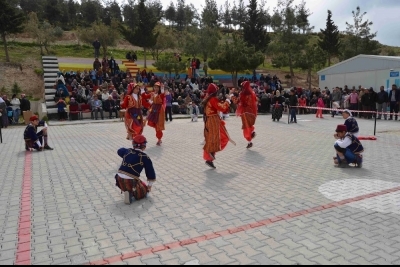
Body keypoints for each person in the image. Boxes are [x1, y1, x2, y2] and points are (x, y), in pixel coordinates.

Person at [115, 135, 156, 204]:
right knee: (145, 192)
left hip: (119, 179)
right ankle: (133, 192)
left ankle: (127, 191)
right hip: (131, 180)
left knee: (128, 183)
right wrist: (149, 186)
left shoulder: (127, 151)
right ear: (144, 146)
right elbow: (150, 172)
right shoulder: (145, 157)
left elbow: (119, 150)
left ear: (133, 144)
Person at [203, 83, 235, 169]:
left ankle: (210, 157)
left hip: (212, 121)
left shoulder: (209, 98)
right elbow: (222, 107)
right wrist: (228, 100)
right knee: (218, 138)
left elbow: (218, 105)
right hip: (213, 121)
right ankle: (211, 154)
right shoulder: (212, 99)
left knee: (217, 138)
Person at [236, 81, 257, 149]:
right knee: (249, 125)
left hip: (245, 112)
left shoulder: (242, 94)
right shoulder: (252, 93)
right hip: (252, 112)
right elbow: (255, 101)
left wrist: (232, 97)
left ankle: (249, 140)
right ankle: (252, 133)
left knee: (246, 127)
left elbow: (239, 102)